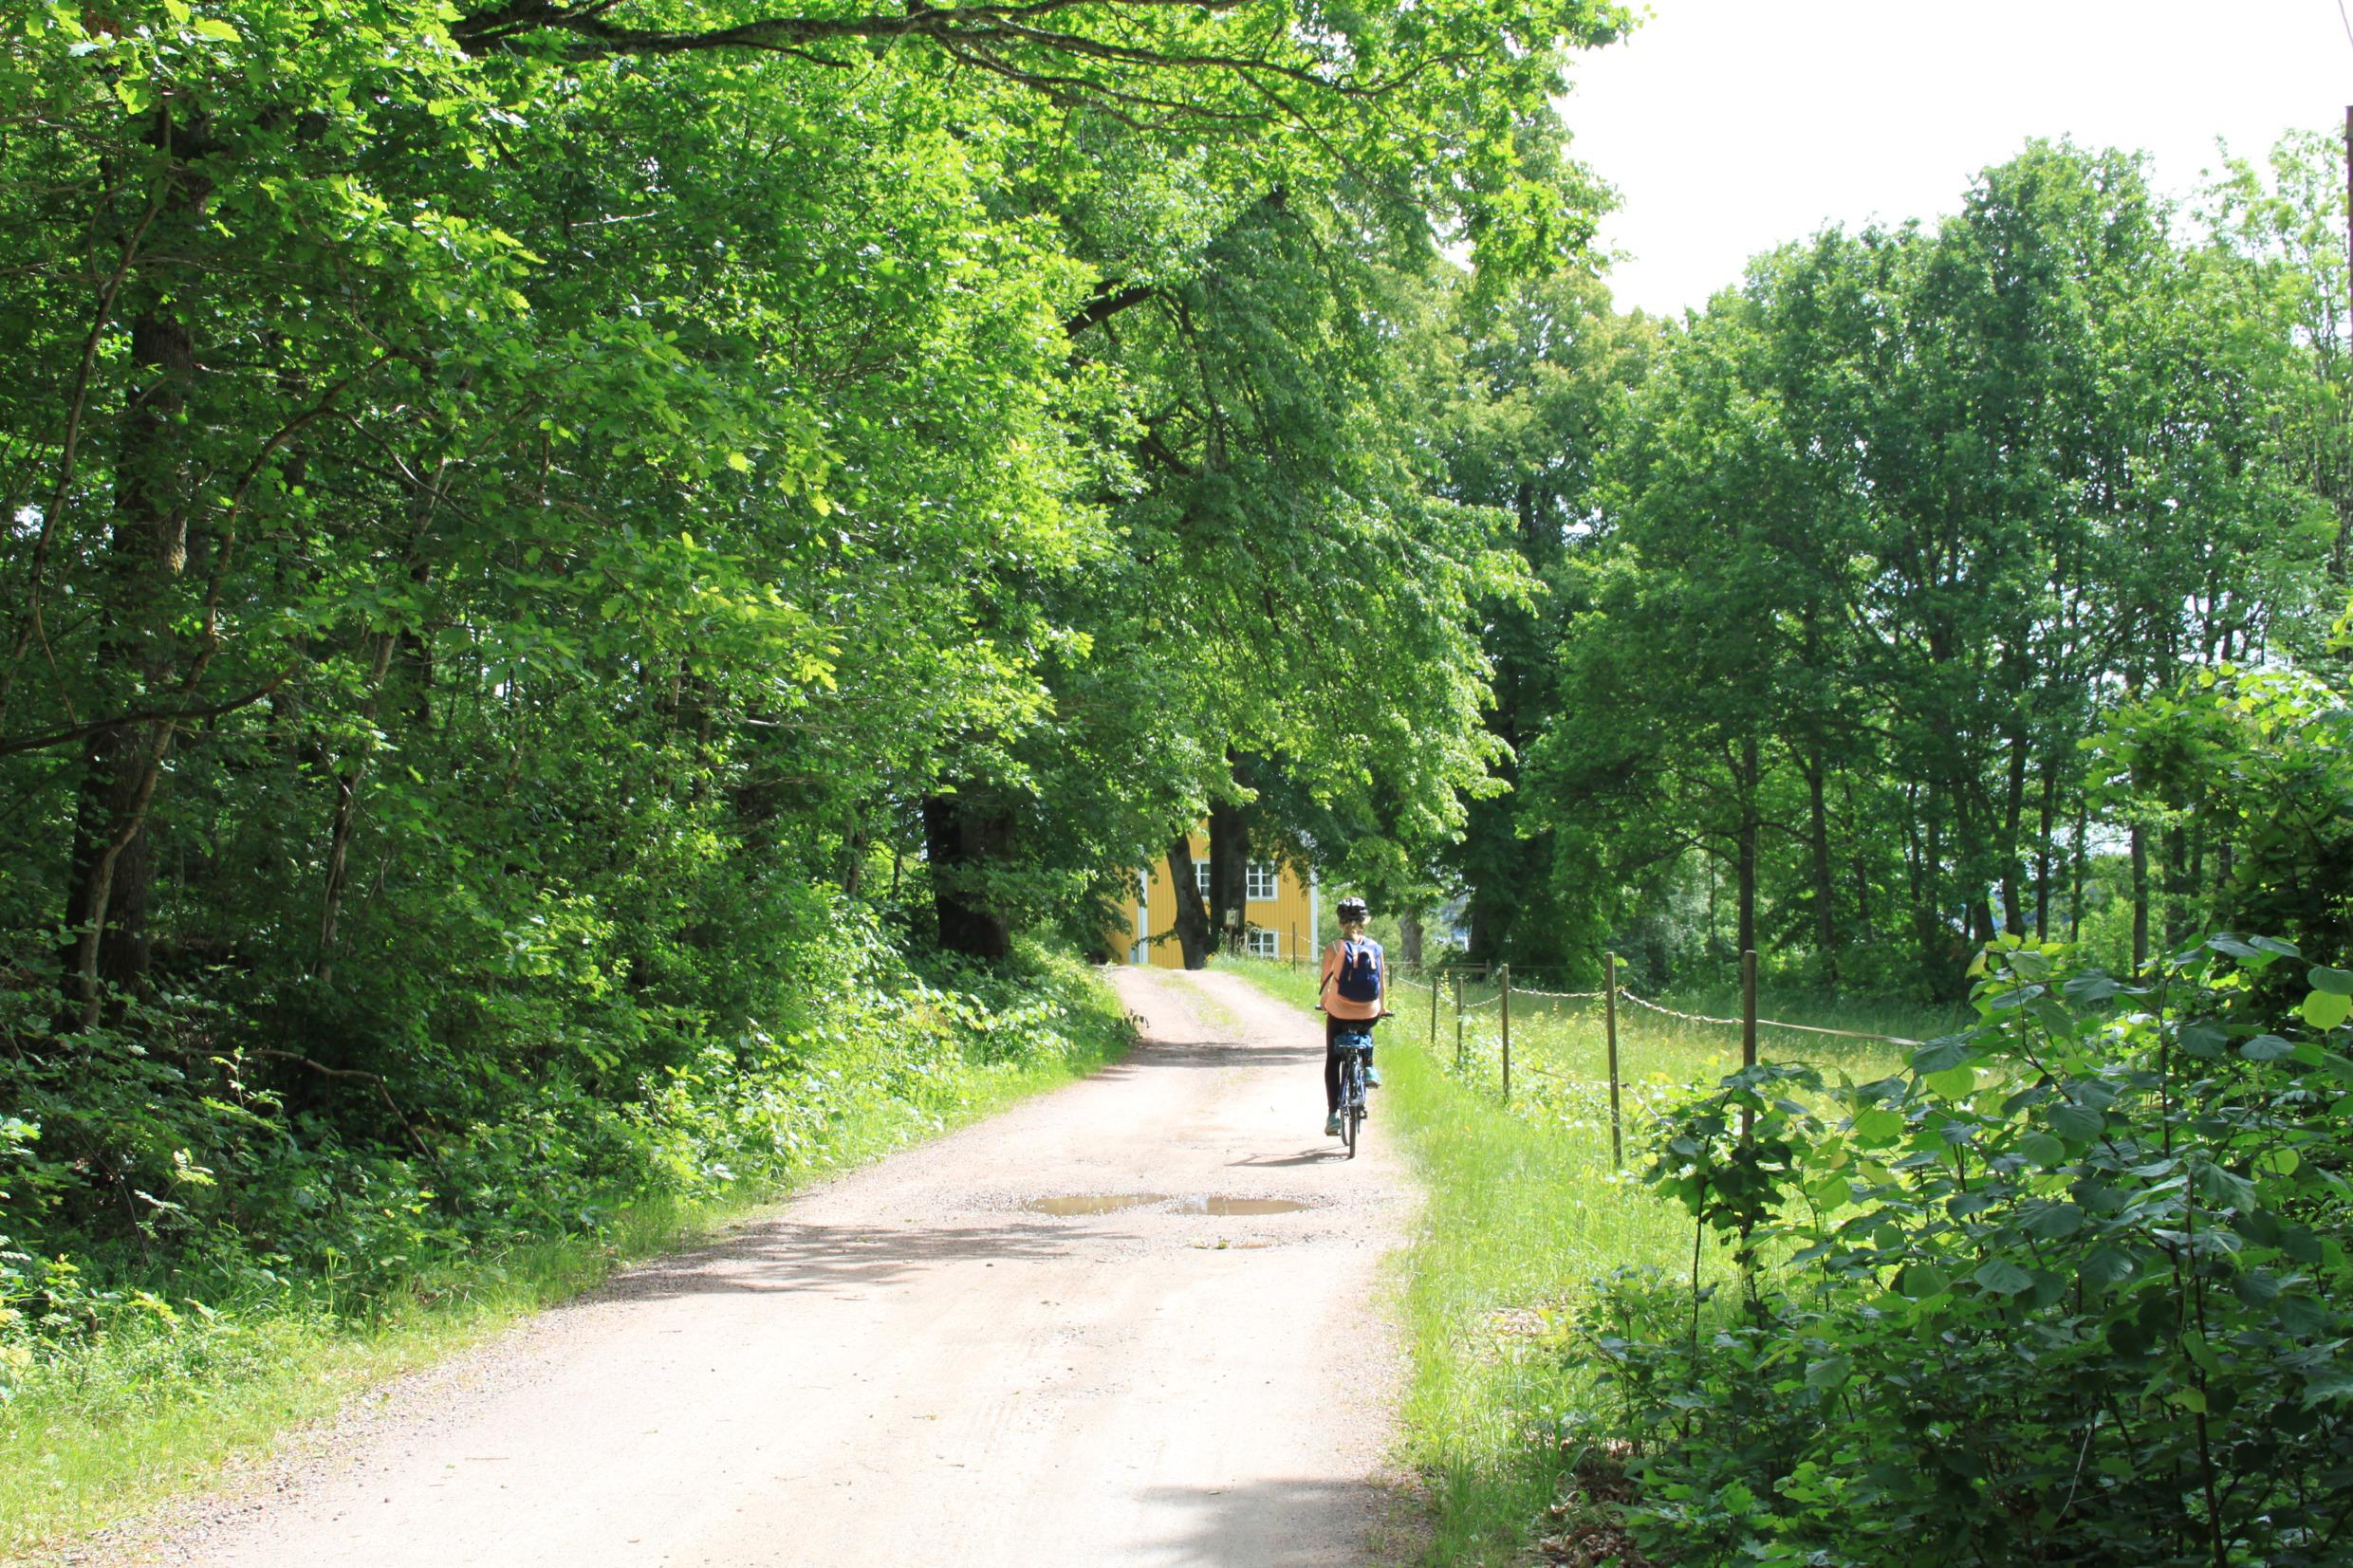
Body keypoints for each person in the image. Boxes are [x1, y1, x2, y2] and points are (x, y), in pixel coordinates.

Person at [1317, 895, 1383, 1137]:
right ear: (1365, 920)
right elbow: (1381, 985)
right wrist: (1381, 1008)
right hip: (1369, 1012)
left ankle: (1333, 1115)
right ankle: (1369, 1067)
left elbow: (1326, 983)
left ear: (1340, 921)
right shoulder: (1376, 948)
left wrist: (1324, 1003)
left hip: (1339, 1012)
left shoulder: (1333, 948)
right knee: (1368, 1021)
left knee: (1333, 1060)